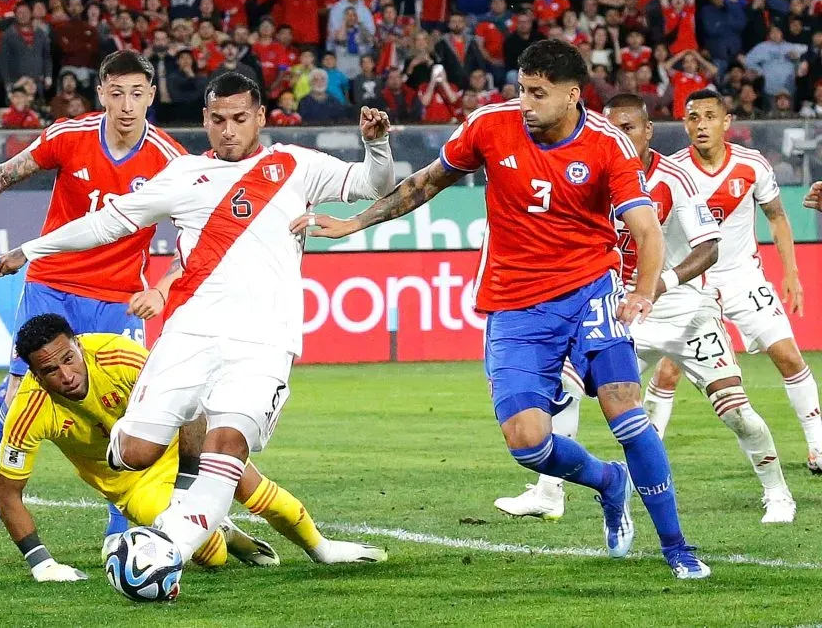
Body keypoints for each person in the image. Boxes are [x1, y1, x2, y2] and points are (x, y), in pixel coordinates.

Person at [291, 40, 709, 579]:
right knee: (527, 443)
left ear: (573, 95)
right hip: (515, 305)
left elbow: (646, 231)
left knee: (627, 414)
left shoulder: (608, 145)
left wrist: (643, 291)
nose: (526, 103)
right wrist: (353, 224)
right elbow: (425, 184)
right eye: (522, 89)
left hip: (590, 291)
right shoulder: (490, 125)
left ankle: (677, 549)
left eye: (538, 93)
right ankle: (607, 481)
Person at [0, 72, 396, 590]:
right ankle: (194, 512)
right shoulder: (183, 175)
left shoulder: (297, 165)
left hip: (264, 342)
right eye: (219, 120)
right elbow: (110, 222)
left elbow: (372, 184)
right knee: (133, 451)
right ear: (205, 120)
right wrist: (33, 248)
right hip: (190, 333)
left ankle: (165, 550)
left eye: (240, 119)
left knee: (225, 446)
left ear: (261, 118)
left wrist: (377, 144)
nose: (228, 130)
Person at [0, 50, 187, 568]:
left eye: (137, 93)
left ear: (151, 95)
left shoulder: (171, 159)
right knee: (16, 405)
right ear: (101, 93)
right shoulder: (70, 134)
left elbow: (197, 235)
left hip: (118, 297)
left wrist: (166, 286)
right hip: (52, 285)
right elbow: (4, 174)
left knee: (127, 415)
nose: (127, 105)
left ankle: (120, 526)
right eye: (116, 93)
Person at [494, 94, 796, 524]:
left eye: (630, 128)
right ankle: (549, 494)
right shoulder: (593, 172)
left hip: (686, 311)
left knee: (736, 412)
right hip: (626, 315)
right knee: (567, 387)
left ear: (648, 130)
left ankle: (778, 492)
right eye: (613, 129)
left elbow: (710, 248)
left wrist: (658, 285)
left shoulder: (674, 178)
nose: (620, 137)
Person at [0, 314, 386, 581]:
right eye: (50, 370)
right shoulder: (28, 411)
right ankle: (225, 532)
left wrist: (188, 485)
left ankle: (322, 548)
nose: (66, 375)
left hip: (176, 446)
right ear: (34, 374)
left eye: (69, 359)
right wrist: (41, 564)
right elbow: (8, 494)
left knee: (250, 486)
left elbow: (191, 406)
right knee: (211, 556)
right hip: (131, 486)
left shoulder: (120, 356)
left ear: (79, 345)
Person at [647, 89, 822, 473]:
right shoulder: (673, 172)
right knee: (668, 369)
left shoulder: (752, 164)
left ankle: (817, 447)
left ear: (727, 122)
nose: (701, 124)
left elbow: (776, 216)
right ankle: (646, 455)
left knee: (788, 355)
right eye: (693, 118)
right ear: (685, 124)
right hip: (692, 282)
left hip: (744, 279)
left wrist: (791, 272)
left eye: (710, 116)